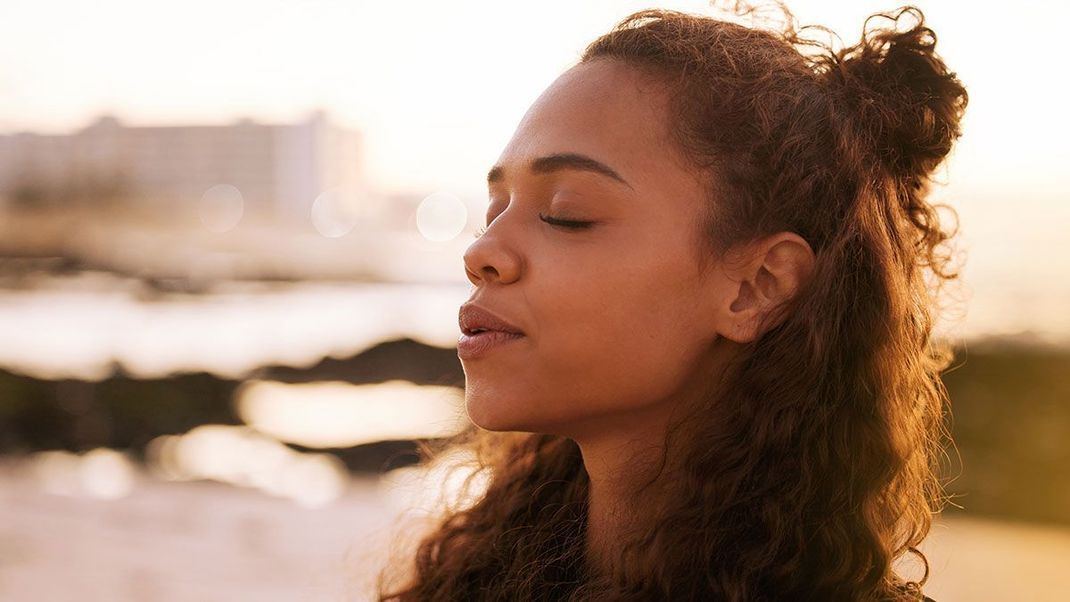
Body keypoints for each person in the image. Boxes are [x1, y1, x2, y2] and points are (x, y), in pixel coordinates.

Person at [377, 4, 965, 600]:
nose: (482, 251)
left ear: (756, 286)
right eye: (495, 210)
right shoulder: (476, 580)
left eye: (565, 214)